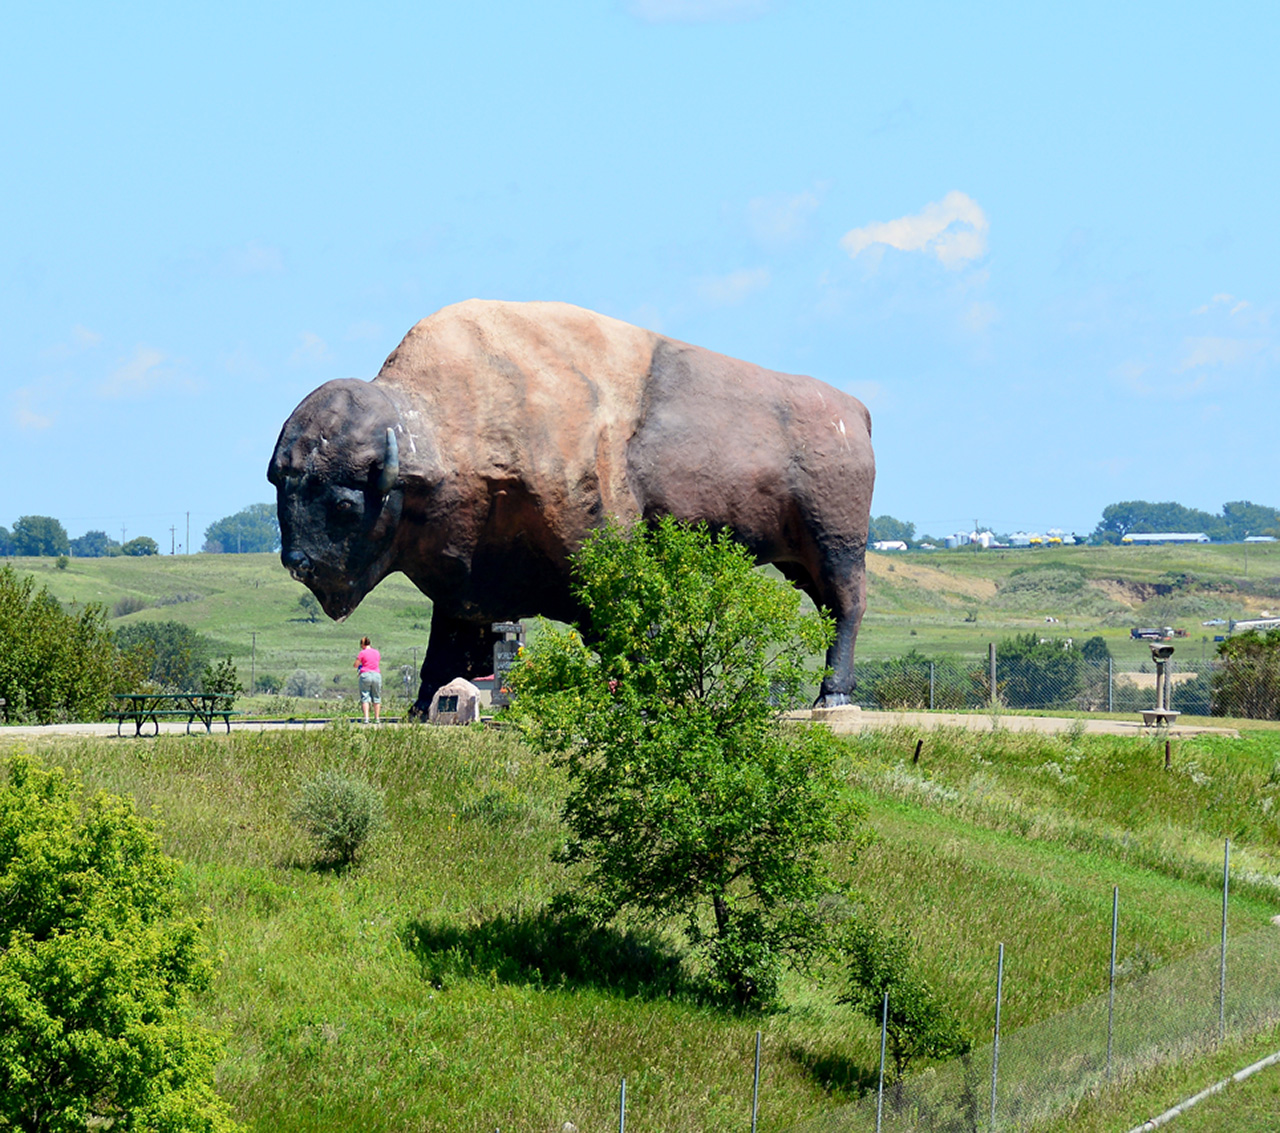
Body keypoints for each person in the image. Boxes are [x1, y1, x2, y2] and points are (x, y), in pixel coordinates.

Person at [354, 636, 382, 723]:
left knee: (365, 696)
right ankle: (377, 718)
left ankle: (366, 718)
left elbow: (356, 664)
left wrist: (360, 666)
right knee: (376, 696)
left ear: (362, 645)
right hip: (376, 675)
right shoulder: (377, 652)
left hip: (365, 675)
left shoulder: (362, 653)